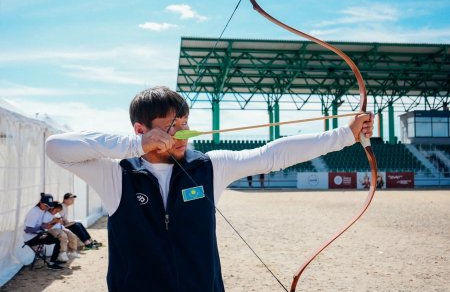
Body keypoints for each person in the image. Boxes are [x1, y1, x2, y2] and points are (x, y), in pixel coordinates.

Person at [45, 86, 373, 291]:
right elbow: (56, 147)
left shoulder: (209, 166)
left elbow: (272, 154)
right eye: (172, 128)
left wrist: (344, 135)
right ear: (141, 129)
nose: (183, 135)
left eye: (185, 126)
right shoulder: (117, 175)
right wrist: (134, 145)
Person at [23, 193, 64, 270]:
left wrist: (54, 222)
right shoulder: (34, 212)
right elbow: (28, 230)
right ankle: (52, 263)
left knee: (60, 237)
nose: (47, 208)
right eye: (46, 206)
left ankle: (56, 260)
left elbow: (45, 226)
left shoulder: (42, 210)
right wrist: (43, 228)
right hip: (31, 238)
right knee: (58, 240)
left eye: (49, 206)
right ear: (41, 202)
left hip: (38, 234)